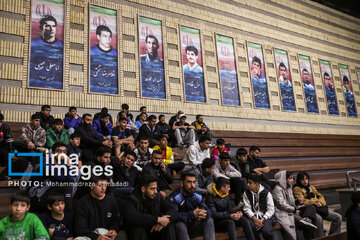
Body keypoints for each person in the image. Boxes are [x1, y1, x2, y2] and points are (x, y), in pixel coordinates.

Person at [124, 174, 178, 240]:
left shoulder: (157, 197)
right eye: (152, 189)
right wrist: (158, 220)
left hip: (154, 230)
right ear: (143, 189)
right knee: (137, 229)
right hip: (140, 232)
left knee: (169, 225)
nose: (156, 191)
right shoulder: (131, 199)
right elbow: (133, 217)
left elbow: (173, 209)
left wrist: (165, 221)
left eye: (156, 188)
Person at [167, 172, 215, 240]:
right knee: (180, 224)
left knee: (209, 220)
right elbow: (173, 216)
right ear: (181, 183)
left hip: (194, 224)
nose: (192, 185)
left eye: (194, 182)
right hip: (181, 228)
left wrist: (203, 214)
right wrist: (192, 215)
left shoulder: (197, 196)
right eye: (189, 182)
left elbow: (208, 210)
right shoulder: (175, 197)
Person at [293, 171, 342, 237]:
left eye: (306, 179)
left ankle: (332, 237)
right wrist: (315, 200)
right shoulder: (297, 189)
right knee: (318, 219)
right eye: (302, 179)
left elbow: (321, 197)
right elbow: (303, 202)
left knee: (338, 217)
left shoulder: (311, 187)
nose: (305, 181)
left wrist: (320, 203)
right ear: (299, 180)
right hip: (308, 210)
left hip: (319, 208)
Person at [272, 171, 318, 240]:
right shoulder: (277, 189)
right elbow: (281, 204)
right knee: (306, 226)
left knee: (310, 207)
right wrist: (294, 210)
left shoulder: (288, 188)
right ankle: (305, 222)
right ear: (284, 179)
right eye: (290, 178)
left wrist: (297, 201)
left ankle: (306, 219)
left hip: (292, 210)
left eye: (292, 178)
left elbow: (291, 202)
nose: (292, 180)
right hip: (284, 212)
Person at [73, 175, 121, 239]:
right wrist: (97, 237)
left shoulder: (111, 201)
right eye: (100, 185)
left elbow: (115, 221)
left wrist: (114, 229)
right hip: (89, 236)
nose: (103, 188)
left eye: (105, 185)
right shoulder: (82, 203)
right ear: (91, 186)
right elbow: (80, 229)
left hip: (106, 234)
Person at [243, 174, 275, 240]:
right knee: (251, 227)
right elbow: (247, 208)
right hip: (253, 216)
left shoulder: (266, 193)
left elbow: (271, 210)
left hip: (266, 216)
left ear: (257, 184)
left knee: (266, 231)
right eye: (247, 182)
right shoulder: (246, 193)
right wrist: (254, 219)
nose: (247, 184)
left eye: (250, 183)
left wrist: (262, 220)